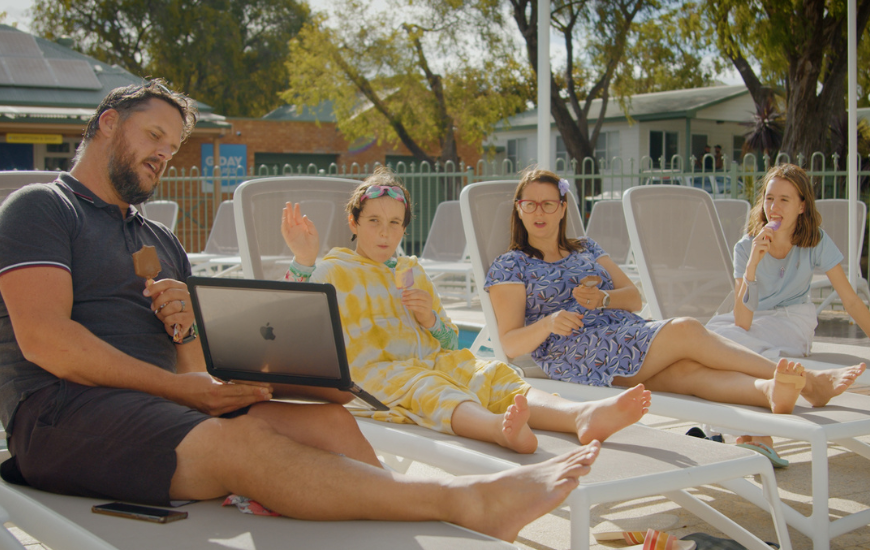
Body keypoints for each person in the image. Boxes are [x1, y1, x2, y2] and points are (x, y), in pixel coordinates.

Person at [0, 81, 603, 543]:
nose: (164, 155)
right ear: (108, 122)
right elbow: (47, 341)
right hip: (60, 417)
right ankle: (463, 503)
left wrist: (189, 336)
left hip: (158, 409)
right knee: (240, 445)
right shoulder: (44, 210)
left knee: (332, 420)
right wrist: (187, 393)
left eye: (173, 145)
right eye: (154, 136)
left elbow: (189, 365)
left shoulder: (161, 240)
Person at [281, 167, 651, 455]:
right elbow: (292, 324)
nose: (384, 233)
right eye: (374, 221)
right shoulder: (334, 269)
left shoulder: (412, 272)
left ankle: (579, 415)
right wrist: (303, 259)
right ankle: (497, 429)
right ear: (354, 223)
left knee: (491, 373)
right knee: (430, 387)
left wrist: (430, 319)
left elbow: (450, 339)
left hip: (431, 361)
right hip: (371, 376)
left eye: (394, 223)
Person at [485, 168, 865, 421]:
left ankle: (769, 391)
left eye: (548, 203)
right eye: (529, 204)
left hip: (622, 334)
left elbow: (633, 299)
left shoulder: (586, 248)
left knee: (687, 373)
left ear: (562, 207)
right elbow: (511, 343)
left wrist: (603, 299)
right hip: (576, 351)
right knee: (685, 329)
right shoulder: (510, 265)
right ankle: (812, 382)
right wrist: (551, 321)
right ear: (518, 211)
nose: (539, 212)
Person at [705, 163, 870, 453]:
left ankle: (751, 434)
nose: (774, 207)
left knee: (727, 347)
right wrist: (754, 263)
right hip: (755, 324)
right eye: (769, 198)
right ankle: (753, 434)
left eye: (784, 199)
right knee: (709, 335)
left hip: (794, 321)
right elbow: (742, 321)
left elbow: (851, 300)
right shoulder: (746, 248)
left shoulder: (815, 240)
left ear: (802, 206)